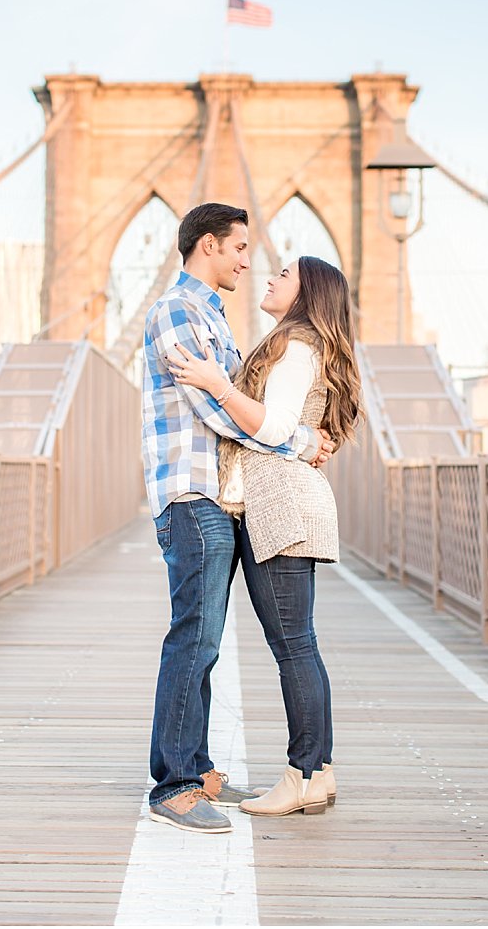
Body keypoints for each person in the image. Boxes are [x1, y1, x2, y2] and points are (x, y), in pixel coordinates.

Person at [141, 203, 329, 834]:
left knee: (206, 637)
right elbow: (220, 411)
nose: (250, 261)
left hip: (220, 497)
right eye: (241, 248)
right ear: (210, 246)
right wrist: (301, 441)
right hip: (191, 492)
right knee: (194, 635)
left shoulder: (214, 317)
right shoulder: (177, 312)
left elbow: (244, 404)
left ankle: (196, 765)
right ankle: (173, 786)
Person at [168, 255, 361, 818]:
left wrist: (216, 384)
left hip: (279, 506)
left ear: (306, 294)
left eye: (283, 275)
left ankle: (301, 774)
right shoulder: (300, 343)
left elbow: (275, 426)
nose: (270, 278)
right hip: (289, 503)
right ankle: (318, 774)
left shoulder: (296, 347)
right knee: (300, 643)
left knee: (293, 647)